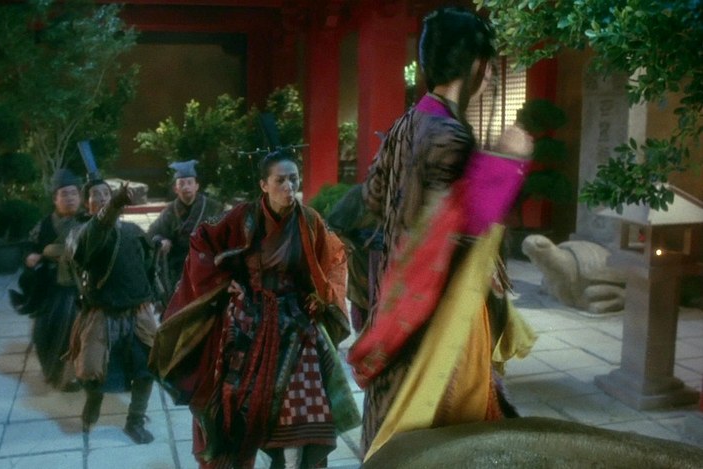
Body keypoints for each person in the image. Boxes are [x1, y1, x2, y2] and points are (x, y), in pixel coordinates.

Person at [346, 6, 536, 459]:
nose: (488, 78)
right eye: (488, 68)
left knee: (394, 427)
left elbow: (371, 198)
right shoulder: (451, 134)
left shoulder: (405, 124)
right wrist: (506, 162)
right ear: (477, 66)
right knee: (439, 432)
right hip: (436, 312)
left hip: (396, 297)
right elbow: (464, 227)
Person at [149, 151, 360, 469]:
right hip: (247, 319)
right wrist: (224, 281)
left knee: (305, 406)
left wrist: (322, 295)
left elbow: (333, 259)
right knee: (234, 405)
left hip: (297, 323)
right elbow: (201, 241)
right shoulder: (241, 218)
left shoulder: (310, 221)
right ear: (264, 185)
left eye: (293, 179)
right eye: (280, 180)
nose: (289, 187)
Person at [66, 178, 159, 444]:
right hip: (101, 315)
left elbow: (148, 267)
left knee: (147, 369)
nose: (102, 198)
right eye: (95, 195)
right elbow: (98, 230)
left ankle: (135, 421)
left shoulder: (133, 231)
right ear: (87, 203)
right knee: (93, 372)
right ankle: (93, 402)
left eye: (107, 193)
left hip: (138, 313)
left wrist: (155, 296)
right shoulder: (81, 233)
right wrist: (115, 204)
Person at [9, 168, 85, 392]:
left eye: (74, 193)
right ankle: (53, 372)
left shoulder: (88, 221)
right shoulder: (44, 225)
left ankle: (73, 376)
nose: (70, 198)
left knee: (78, 331)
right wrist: (30, 256)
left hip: (80, 286)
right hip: (51, 286)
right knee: (43, 332)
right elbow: (28, 246)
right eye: (64, 194)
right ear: (55, 199)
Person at [147, 160, 223, 306]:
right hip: (178, 264)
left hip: (207, 261)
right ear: (176, 189)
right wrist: (161, 240)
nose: (186, 187)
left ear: (197, 186)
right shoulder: (170, 211)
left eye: (189, 183)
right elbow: (152, 234)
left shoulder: (213, 207)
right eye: (181, 184)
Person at [325, 184, 382, 333]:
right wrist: (345, 242)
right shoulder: (360, 194)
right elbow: (330, 227)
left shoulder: (404, 190)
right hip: (365, 263)